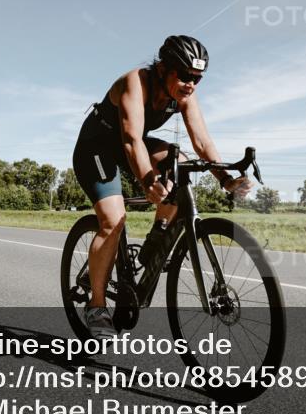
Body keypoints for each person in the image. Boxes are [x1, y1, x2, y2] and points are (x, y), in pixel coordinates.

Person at [72, 35, 251, 338]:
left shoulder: (185, 96)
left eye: (197, 78)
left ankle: (153, 246)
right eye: (183, 75)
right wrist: (148, 181)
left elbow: (202, 141)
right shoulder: (136, 82)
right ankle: (97, 305)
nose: (190, 83)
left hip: (134, 144)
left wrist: (225, 179)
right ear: (163, 68)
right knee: (113, 220)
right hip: (97, 147)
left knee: (178, 164)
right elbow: (130, 140)